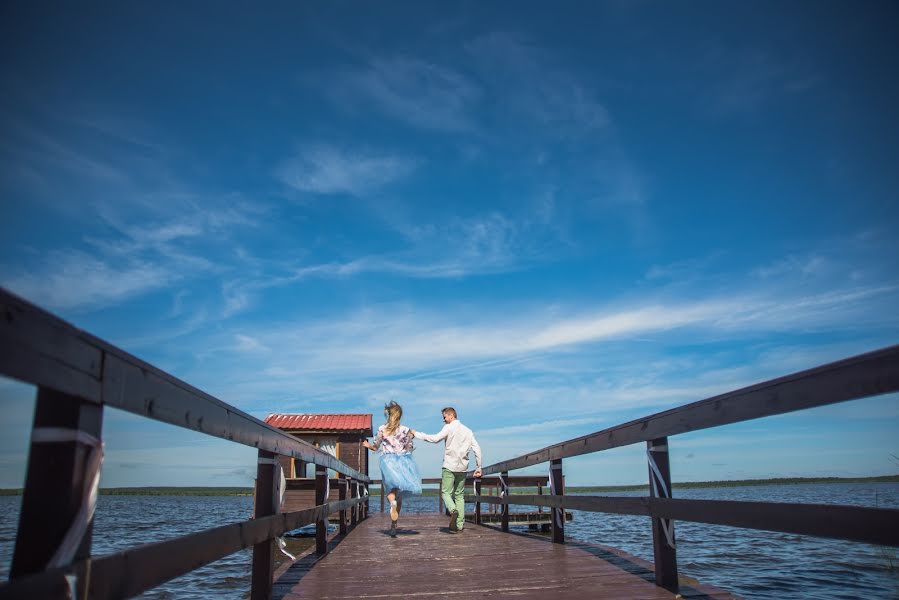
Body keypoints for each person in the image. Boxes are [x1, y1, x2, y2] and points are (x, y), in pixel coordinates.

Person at [412, 407, 482, 533]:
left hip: (449, 466)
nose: (444, 420)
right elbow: (477, 449)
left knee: (446, 493)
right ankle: (460, 525)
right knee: (459, 495)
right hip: (463, 468)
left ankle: (452, 510)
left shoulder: (449, 427)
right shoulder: (468, 431)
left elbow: (435, 439)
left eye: (444, 417)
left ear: (451, 415)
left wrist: (417, 434)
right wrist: (479, 467)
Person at [362, 401, 422, 537]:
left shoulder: (382, 429)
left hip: (388, 461)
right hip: (403, 461)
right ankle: (394, 526)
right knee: (399, 493)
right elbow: (409, 447)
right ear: (400, 416)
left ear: (388, 415)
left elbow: (376, 446)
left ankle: (392, 504)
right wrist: (411, 437)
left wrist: (367, 445)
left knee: (390, 490)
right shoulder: (405, 429)